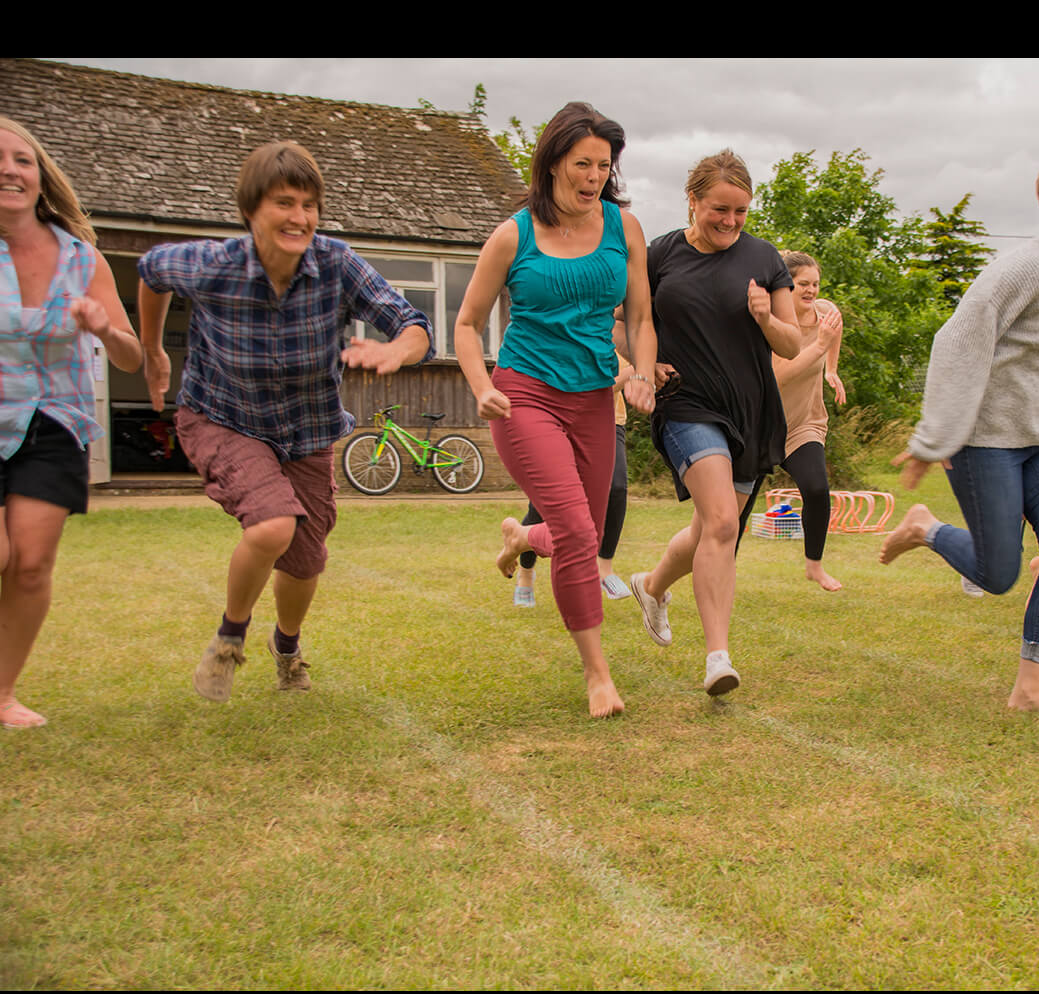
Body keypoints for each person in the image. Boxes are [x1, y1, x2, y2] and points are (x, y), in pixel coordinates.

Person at [138, 141, 434, 703]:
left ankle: (287, 647)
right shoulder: (212, 264)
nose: (298, 217)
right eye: (283, 203)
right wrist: (153, 349)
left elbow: (411, 320)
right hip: (221, 415)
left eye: (308, 205)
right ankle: (229, 639)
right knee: (272, 525)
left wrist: (399, 350)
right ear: (251, 210)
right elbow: (151, 273)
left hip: (307, 429)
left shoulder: (336, 264)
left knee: (305, 557)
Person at [880, 148, 1039, 719]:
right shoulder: (1024, 269)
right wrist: (936, 437)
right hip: (987, 439)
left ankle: (1031, 687)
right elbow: (957, 341)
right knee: (999, 573)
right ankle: (925, 528)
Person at [455, 102, 656, 719]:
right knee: (576, 535)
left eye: (603, 165)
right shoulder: (514, 234)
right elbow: (465, 324)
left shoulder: (624, 228)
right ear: (552, 163)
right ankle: (598, 675)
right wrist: (479, 384)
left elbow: (643, 318)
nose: (594, 176)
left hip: (595, 396)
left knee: (582, 534)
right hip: (526, 396)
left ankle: (519, 536)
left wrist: (642, 374)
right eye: (582, 163)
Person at [629, 149, 801, 696]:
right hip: (685, 405)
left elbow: (793, 343)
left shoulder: (765, 257)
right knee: (724, 521)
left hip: (750, 410)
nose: (730, 221)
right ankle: (717, 658)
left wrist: (765, 317)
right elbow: (627, 322)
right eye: (718, 209)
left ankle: (652, 586)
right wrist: (641, 365)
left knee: (710, 529)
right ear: (693, 200)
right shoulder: (659, 255)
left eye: (741, 212)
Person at [0, 119, 144, 729]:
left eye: (22, 159)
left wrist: (103, 326)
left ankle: (2, 695)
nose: (10, 169)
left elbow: (130, 355)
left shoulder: (81, 259)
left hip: (53, 420)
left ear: (40, 176)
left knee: (29, 563)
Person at [514, 340, 633, 609]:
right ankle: (525, 572)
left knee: (616, 488)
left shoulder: (610, 339)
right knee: (544, 504)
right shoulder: (560, 335)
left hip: (609, 421)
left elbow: (628, 373)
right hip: (562, 421)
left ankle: (605, 568)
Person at [772, 250, 845, 591]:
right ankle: (719, 561)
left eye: (815, 284)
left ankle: (814, 566)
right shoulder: (774, 325)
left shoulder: (825, 312)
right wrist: (818, 350)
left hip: (805, 423)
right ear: (786, 285)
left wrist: (832, 368)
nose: (811, 290)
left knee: (816, 488)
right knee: (733, 511)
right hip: (763, 426)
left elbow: (836, 320)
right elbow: (779, 376)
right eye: (803, 284)